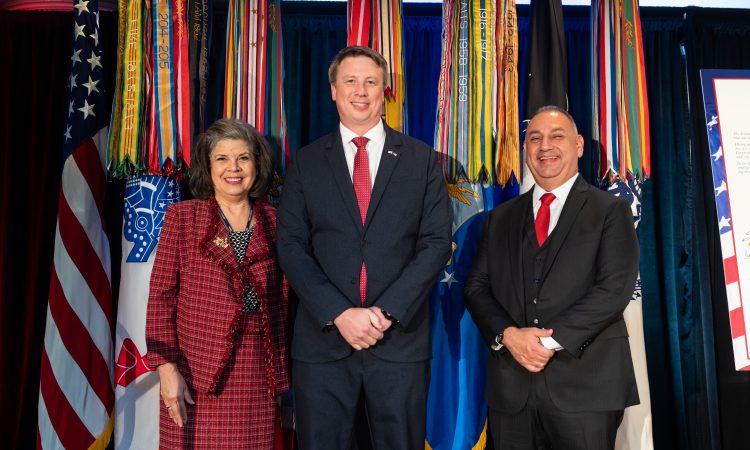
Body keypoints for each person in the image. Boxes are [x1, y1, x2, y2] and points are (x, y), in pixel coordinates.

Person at [277, 46, 452, 449]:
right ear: (333, 90)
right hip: (323, 347)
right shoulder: (305, 162)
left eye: (371, 82)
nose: (361, 91)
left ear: (385, 91)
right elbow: (290, 245)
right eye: (351, 81)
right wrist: (339, 313)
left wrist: (385, 312)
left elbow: (436, 242)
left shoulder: (422, 160)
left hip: (398, 345)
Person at [464, 106, 640, 450]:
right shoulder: (499, 218)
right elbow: (476, 288)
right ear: (525, 149)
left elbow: (614, 290)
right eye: (535, 138)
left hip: (585, 388)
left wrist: (544, 343)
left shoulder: (610, 211)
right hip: (511, 391)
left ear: (578, 145)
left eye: (556, 136)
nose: (545, 146)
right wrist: (509, 335)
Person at [145, 118, 289, 449]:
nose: (233, 168)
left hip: (257, 375)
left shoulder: (276, 221)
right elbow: (160, 300)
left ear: (257, 164)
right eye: (222, 158)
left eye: (243, 158)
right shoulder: (183, 218)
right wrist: (167, 370)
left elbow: (286, 298)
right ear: (207, 167)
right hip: (194, 375)